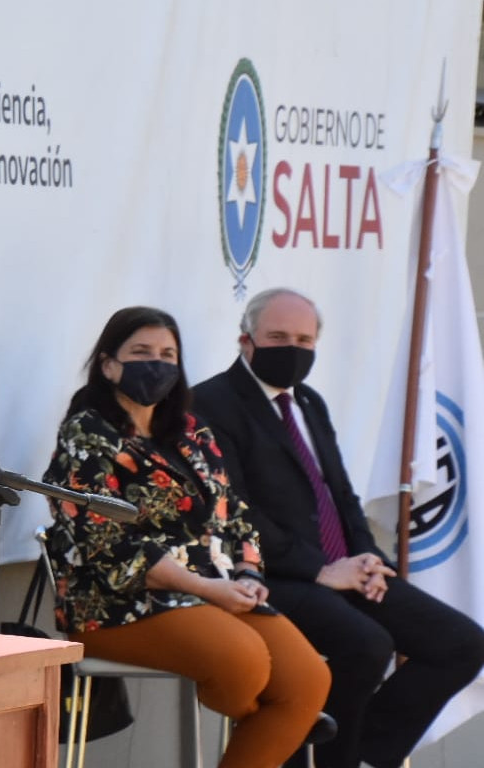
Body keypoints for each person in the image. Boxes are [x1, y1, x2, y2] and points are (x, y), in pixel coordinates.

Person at [193, 287, 484, 768]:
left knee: (460, 644)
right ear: (245, 341)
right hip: (270, 577)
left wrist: (368, 556)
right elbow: (231, 514)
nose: (293, 349)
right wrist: (321, 570)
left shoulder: (308, 401)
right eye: (278, 336)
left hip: (344, 569)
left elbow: (340, 494)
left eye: (305, 340)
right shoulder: (210, 404)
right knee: (367, 645)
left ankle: (361, 755)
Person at [42, 305, 329, 768]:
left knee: (308, 681)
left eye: (167, 353)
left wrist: (248, 570)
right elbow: (101, 541)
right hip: (115, 603)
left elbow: (233, 512)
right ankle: (269, 717)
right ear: (108, 363)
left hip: (213, 592)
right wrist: (203, 587)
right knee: (244, 664)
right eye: (140, 352)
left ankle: (280, 717)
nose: (156, 363)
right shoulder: (87, 433)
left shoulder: (191, 431)